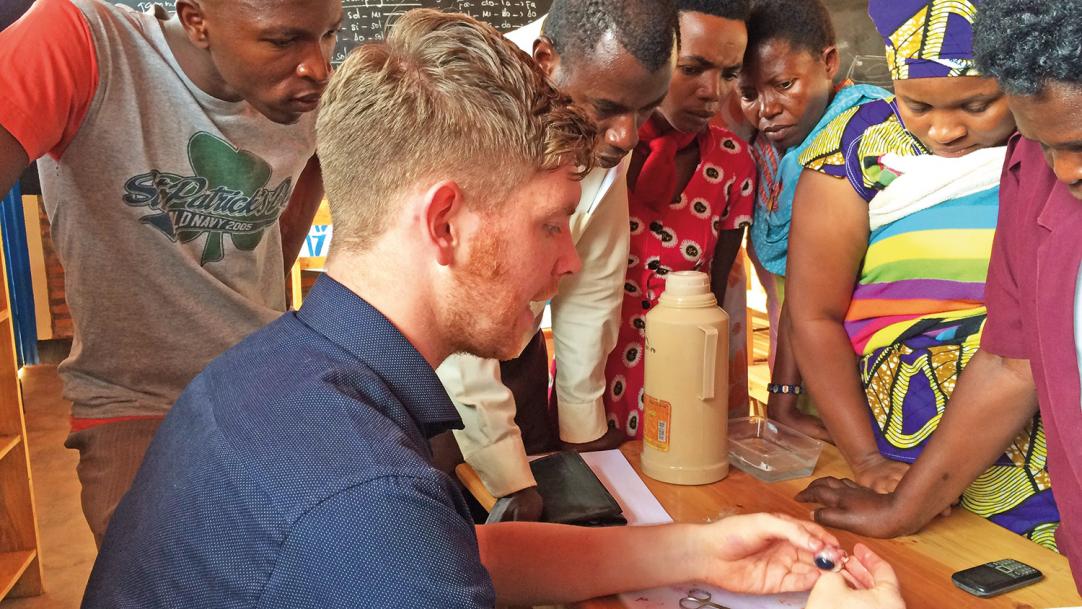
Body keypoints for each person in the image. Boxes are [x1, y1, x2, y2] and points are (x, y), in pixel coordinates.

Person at [80, 11, 902, 608]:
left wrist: (694, 548)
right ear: (445, 223)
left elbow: (466, 551)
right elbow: (407, 549)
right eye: (549, 225)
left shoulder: (275, 370)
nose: (570, 259)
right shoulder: (365, 501)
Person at [0, 0, 331, 544]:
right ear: (197, 20)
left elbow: (292, 217)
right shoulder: (82, 43)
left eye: (330, 33)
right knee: (166, 567)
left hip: (266, 383)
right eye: (282, 40)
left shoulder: (313, 98)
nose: (317, 66)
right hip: (137, 403)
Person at [794, 0, 1082, 591]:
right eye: (919, 107)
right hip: (932, 440)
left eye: (977, 106)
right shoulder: (875, 151)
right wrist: (886, 484)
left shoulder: (1035, 157)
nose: (947, 131)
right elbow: (1010, 359)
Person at [436, 0, 676, 517]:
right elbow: (460, 319)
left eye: (647, 110)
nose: (627, 136)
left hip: (512, 342)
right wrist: (506, 476)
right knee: (458, 516)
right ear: (545, 61)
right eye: (609, 108)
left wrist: (583, 430)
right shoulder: (467, 103)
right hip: (432, 359)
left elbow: (593, 280)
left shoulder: (602, 105)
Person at [737, 0, 917, 442]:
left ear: (829, 62)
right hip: (802, 379)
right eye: (749, 94)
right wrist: (784, 397)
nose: (767, 109)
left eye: (784, 84)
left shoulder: (867, 137)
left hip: (867, 384)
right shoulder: (769, 152)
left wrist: (782, 398)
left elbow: (814, 283)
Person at [606, 0, 755, 438]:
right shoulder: (604, 151)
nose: (713, 91)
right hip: (591, 382)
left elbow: (715, 294)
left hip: (684, 384)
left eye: (729, 74)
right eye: (692, 68)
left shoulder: (732, 162)